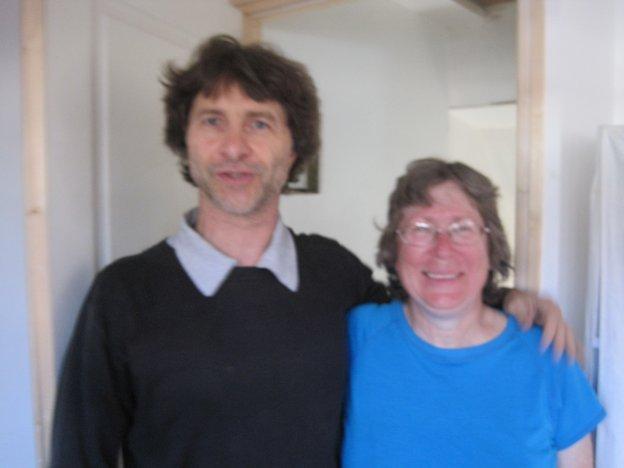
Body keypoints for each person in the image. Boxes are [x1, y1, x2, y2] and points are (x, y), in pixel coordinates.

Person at [51, 36, 573, 467]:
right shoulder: (124, 294)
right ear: (184, 141)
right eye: (212, 120)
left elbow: (421, 313)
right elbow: (79, 454)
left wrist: (507, 300)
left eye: (259, 123)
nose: (234, 147)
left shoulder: (332, 272)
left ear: (293, 149)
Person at [342, 158, 605, 467]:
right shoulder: (358, 336)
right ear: (394, 249)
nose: (442, 249)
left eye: (462, 229)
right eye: (421, 229)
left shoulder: (549, 352)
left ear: (491, 247)